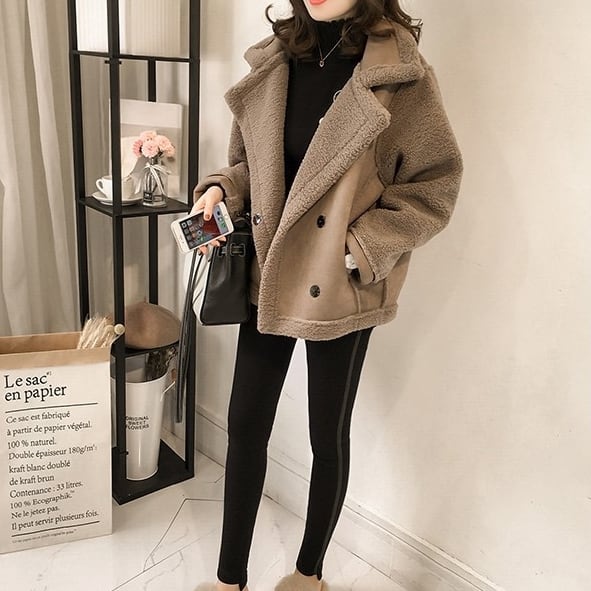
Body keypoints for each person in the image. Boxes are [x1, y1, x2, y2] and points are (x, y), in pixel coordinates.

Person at [193, 1, 463, 590]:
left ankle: (308, 574)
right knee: (245, 424)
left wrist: (361, 248)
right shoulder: (277, 60)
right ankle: (229, 579)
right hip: (269, 271)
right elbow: (253, 167)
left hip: (339, 284)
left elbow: (434, 185)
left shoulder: (400, 75)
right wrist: (220, 190)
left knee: (326, 434)